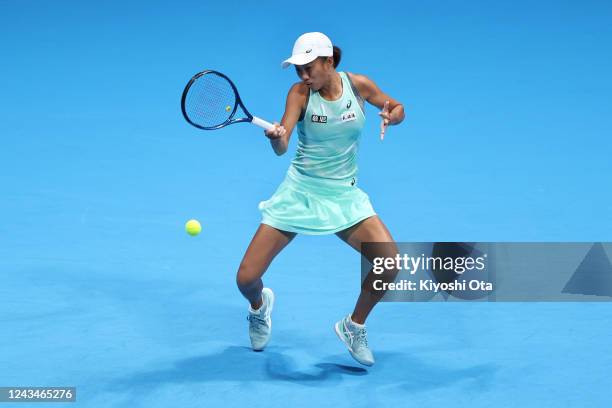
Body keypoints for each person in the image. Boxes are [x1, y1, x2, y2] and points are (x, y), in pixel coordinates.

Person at [236, 32, 404, 366]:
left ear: (329, 62)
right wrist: (276, 137)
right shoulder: (299, 94)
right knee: (246, 279)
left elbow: (395, 106)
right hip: (300, 193)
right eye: (298, 69)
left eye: (308, 67)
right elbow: (283, 147)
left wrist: (393, 115)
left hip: (343, 195)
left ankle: (353, 326)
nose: (303, 76)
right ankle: (259, 308)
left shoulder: (359, 86)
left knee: (389, 263)